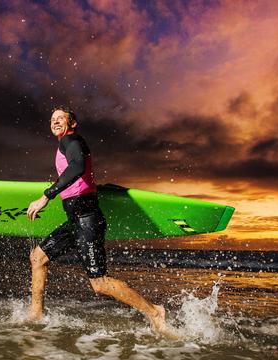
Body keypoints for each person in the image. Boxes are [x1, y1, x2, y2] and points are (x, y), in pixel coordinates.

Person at [26, 107, 176, 338]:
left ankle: (155, 312)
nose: (55, 122)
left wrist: (47, 195)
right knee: (38, 257)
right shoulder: (67, 142)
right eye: (52, 119)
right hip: (75, 221)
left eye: (60, 118)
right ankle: (36, 314)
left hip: (87, 220)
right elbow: (82, 172)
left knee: (99, 284)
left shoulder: (71, 140)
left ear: (72, 123)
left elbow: (77, 166)